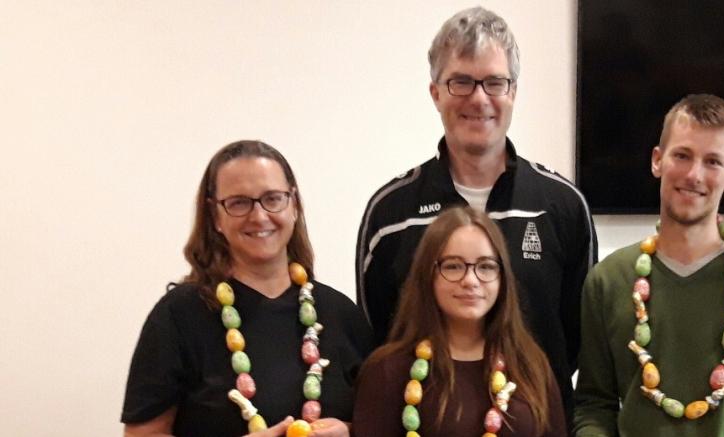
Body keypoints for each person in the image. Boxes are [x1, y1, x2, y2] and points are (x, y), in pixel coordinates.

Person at [355, 6, 597, 416]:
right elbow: (376, 341)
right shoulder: (390, 214)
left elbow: (580, 343)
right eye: (461, 82)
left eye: (494, 82)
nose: (479, 98)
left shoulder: (563, 206)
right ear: (435, 93)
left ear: (513, 92)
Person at [573, 94, 724, 436]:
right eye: (682, 155)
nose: (694, 174)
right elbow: (593, 406)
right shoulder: (608, 280)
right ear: (657, 160)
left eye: (713, 162)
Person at [122, 140, 373, 437]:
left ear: (294, 204)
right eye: (239, 202)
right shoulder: (178, 315)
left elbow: (380, 424)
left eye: (272, 198)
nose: (259, 216)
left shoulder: (340, 313)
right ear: (215, 216)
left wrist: (348, 431)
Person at [353, 206, 566, 436]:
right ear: (428, 275)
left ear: (503, 278)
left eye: (486, 266)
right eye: (453, 266)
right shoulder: (387, 371)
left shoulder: (531, 364)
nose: (470, 280)